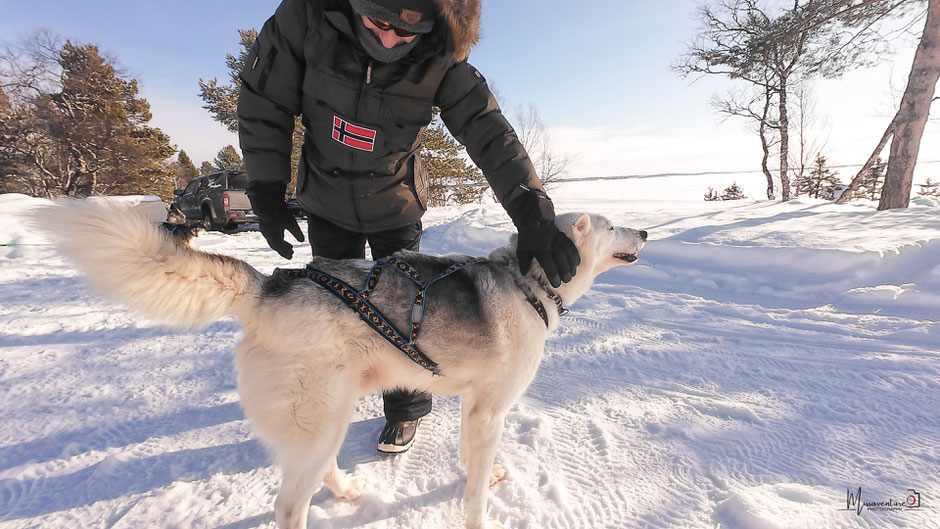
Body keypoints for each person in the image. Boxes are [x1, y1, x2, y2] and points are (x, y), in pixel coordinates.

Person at [237, 0, 580, 453]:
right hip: (326, 197)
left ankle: (405, 412)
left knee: (407, 316)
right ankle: (326, 388)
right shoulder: (305, 18)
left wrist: (532, 213)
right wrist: (265, 189)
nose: (389, 40)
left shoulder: (442, 49)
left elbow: (488, 130)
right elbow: (265, 99)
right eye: (379, 23)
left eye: (407, 32)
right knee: (333, 310)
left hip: (395, 205)